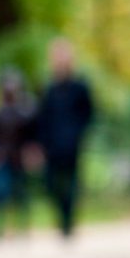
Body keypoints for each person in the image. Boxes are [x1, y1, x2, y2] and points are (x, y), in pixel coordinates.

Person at [36, 38, 95, 238]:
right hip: (51, 145)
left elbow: (88, 113)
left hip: (72, 144)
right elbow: (42, 118)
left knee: (72, 184)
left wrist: (78, 133)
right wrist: (39, 144)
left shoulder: (80, 86)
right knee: (50, 184)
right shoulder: (49, 87)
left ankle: (68, 222)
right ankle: (63, 217)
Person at [0, 70, 37, 238]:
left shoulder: (24, 110)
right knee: (0, 192)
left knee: (20, 192)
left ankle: (22, 226)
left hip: (18, 158)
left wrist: (31, 152)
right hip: (3, 158)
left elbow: (30, 134)